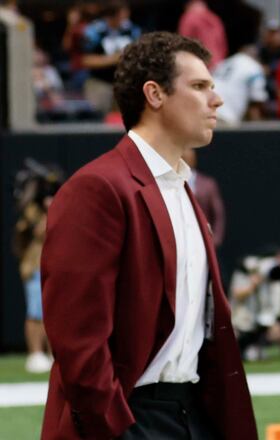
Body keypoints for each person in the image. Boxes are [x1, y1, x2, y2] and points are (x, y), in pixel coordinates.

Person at [40, 32, 257, 439]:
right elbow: (78, 343)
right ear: (154, 94)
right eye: (199, 86)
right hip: (130, 419)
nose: (217, 99)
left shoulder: (184, 189)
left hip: (192, 414)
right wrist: (116, 428)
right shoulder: (98, 188)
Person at [13, 159, 62, 373]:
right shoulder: (31, 209)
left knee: (56, 311)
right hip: (34, 266)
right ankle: (35, 353)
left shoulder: (57, 203)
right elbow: (40, 231)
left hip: (55, 264)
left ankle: (53, 352)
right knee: (36, 311)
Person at [230, 248, 280, 360]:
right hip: (241, 321)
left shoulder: (268, 279)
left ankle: (261, 348)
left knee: (278, 330)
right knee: (234, 342)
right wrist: (253, 285)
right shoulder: (244, 274)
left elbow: (277, 273)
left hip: (258, 319)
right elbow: (237, 294)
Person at [81, 0, 140, 114]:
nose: (126, 16)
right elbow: (86, 60)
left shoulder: (132, 30)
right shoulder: (95, 31)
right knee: (98, 119)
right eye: (123, 13)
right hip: (100, 83)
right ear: (113, 14)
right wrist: (114, 58)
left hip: (125, 84)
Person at [212, 43, 268, 125]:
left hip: (207, 112)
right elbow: (256, 102)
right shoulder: (254, 67)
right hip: (226, 116)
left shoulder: (223, 63)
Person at [182, 148, 225, 248]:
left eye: (189, 158)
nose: (186, 160)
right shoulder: (171, 182)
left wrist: (216, 239)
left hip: (203, 237)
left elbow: (218, 214)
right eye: (183, 157)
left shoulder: (207, 184)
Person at [178, 0, 227, 69]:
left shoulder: (188, 18)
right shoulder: (214, 18)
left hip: (201, 66)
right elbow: (222, 45)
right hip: (218, 65)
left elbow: (184, 44)